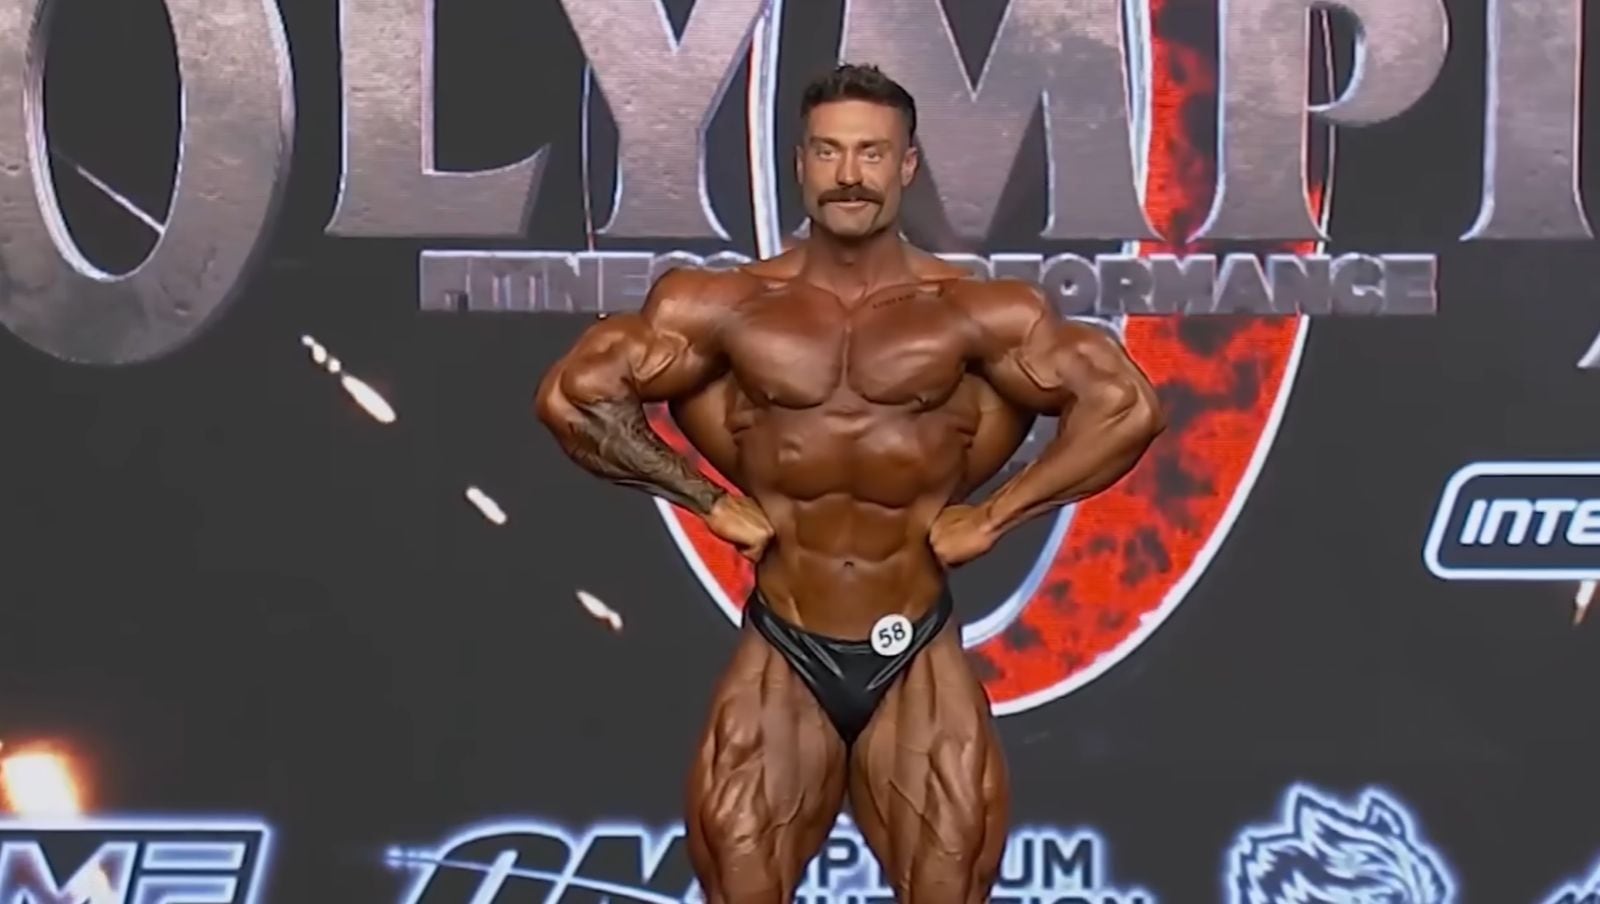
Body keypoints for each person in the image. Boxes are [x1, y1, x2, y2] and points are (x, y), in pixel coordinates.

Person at [535, 63, 1164, 903]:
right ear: (800, 163)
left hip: (915, 647)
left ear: (907, 165)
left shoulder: (977, 312)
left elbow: (1125, 406)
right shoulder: (723, 305)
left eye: (871, 153)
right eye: (829, 152)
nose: (849, 174)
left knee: (947, 886)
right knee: (741, 882)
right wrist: (703, 498)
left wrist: (997, 514)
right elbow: (575, 398)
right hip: (785, 643)